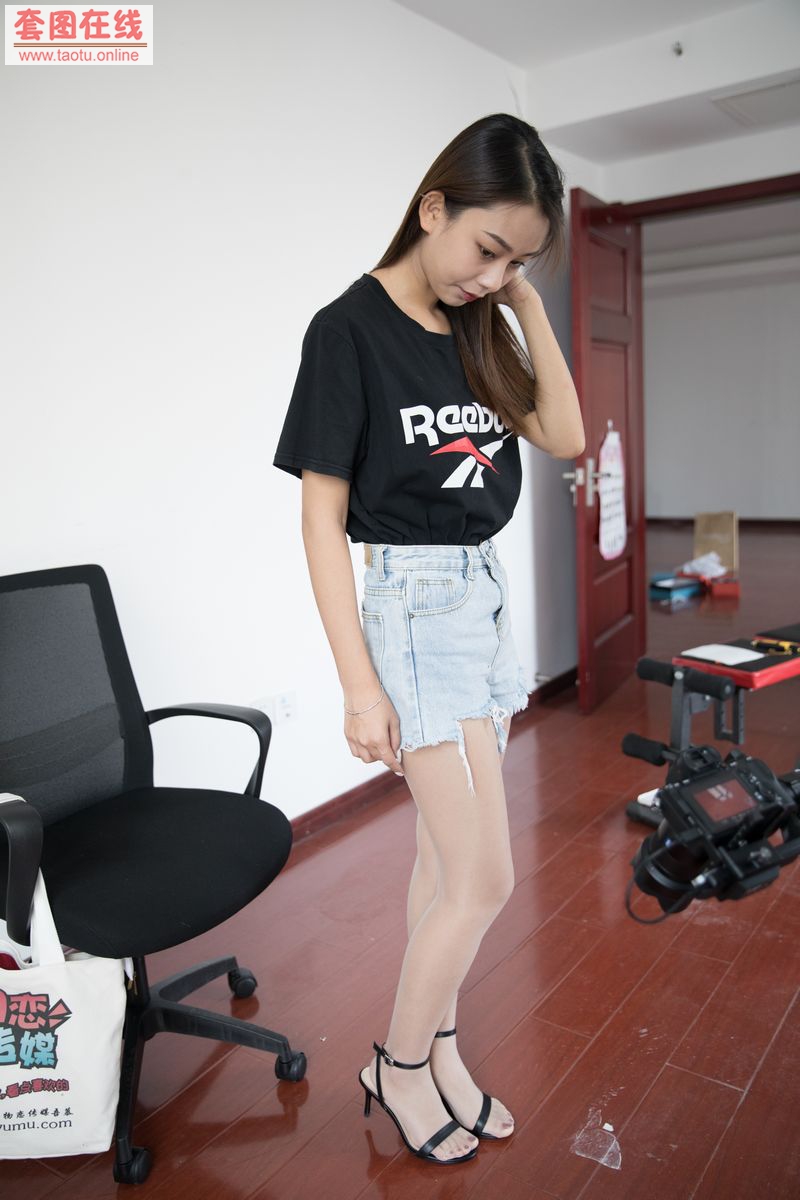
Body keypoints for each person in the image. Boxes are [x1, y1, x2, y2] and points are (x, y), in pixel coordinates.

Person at [272, 112, 585, 1165]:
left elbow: (564, 436)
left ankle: (439, 1046)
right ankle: (398, 1066)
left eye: (516, 263)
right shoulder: (348, 330)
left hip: (479, 601)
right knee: (485, 879)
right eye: (487, 249)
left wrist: (522, 302)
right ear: (433, 207)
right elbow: (320, 522)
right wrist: (359, 687)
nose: (491, 276)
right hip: (407, 610)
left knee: (441, 863)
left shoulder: (482, 324)